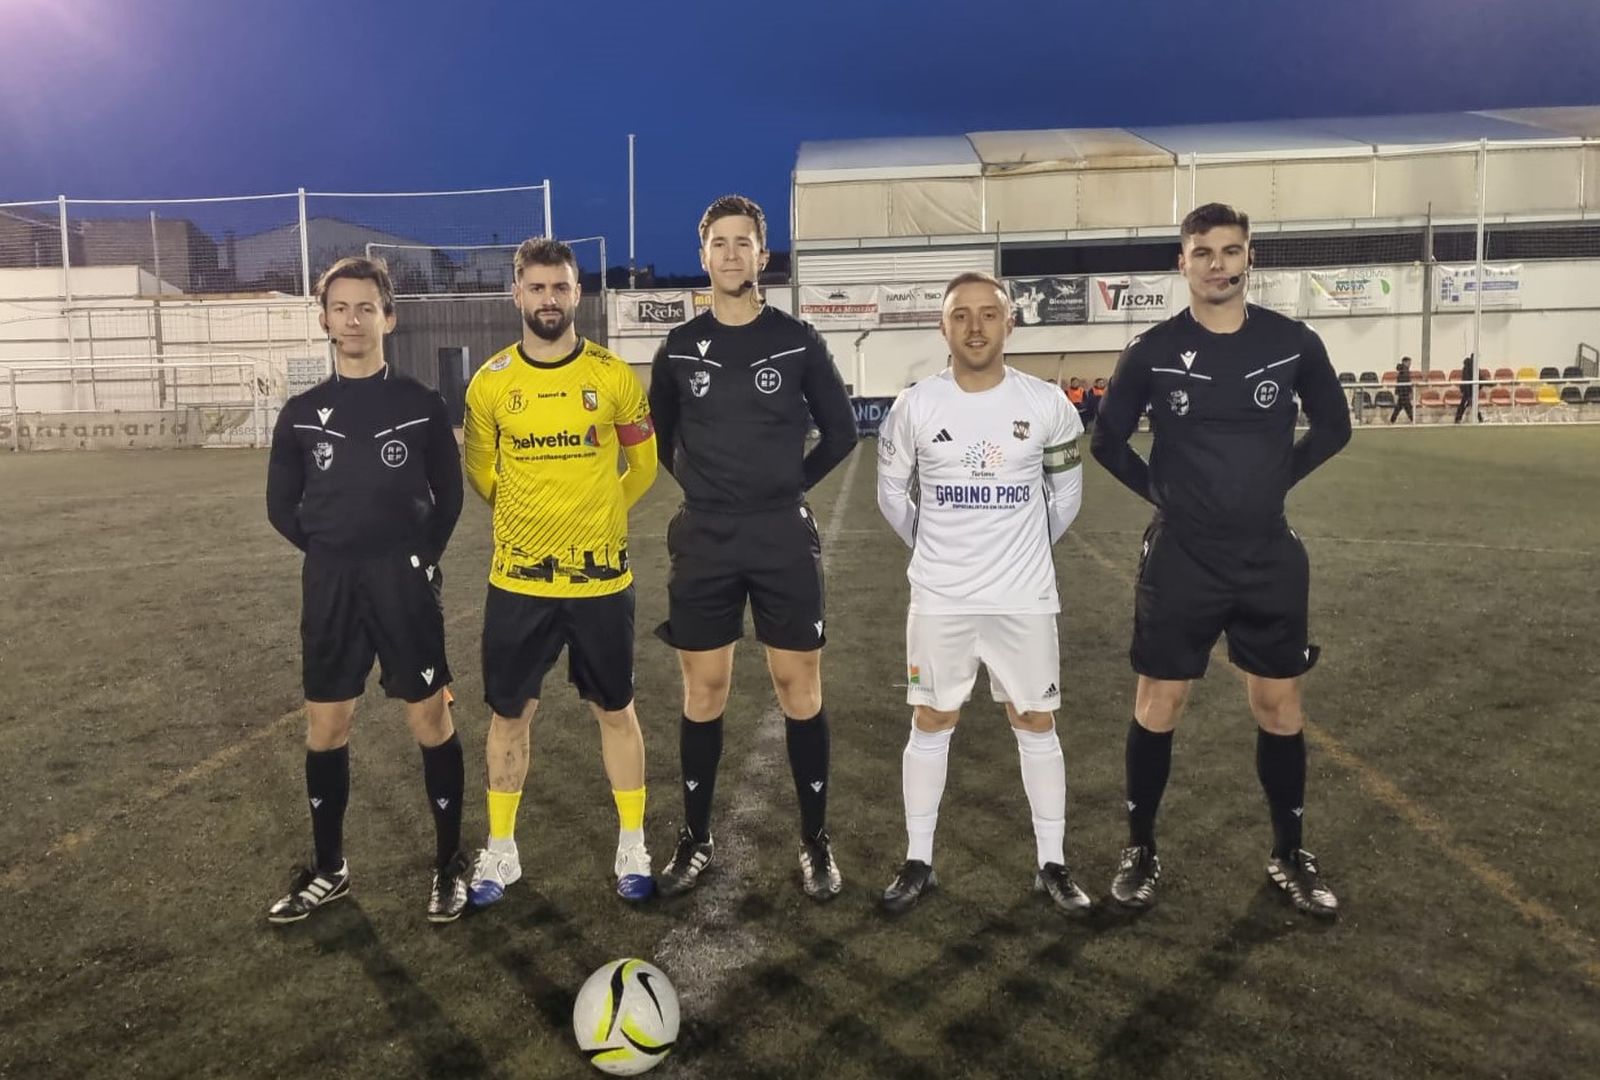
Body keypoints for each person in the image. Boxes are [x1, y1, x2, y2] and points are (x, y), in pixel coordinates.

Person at [1091, 202, 1351, 919]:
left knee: (1279, 704)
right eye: (1202, 252)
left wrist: (1278, 481)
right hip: (1182, 556)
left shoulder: (1292, 342)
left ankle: (1289, 852)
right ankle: (1140, 849)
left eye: (1229, 251)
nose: (1217, 265)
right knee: (1159, 703)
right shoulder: (1150, 350)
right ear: (1183, 263)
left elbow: (1335, 426)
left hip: (1267, 554)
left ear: (1249, 258)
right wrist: (1163, 493)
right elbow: (1107, 442)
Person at [648, 194, 859, 902]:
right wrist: (706, 492)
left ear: (762, 256)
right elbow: (663, 434)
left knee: (800, 690)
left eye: (745, 243)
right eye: (720, 243)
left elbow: (840, 434)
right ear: (703, 255)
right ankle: (696, 837)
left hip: (779, 537)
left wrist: (784, 490)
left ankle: (815, 841)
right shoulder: (678, 348)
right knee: (703, 691)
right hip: (706, 536)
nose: (732, 254)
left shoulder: (798, 340)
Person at [875, 272, 1090, 916]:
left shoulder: (1049, 403)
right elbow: (892, 497)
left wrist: (1017, 554)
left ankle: (1052, 863)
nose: (975, 326)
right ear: (942, 327)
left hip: (1023, 598)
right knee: (932, 718)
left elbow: (1067, 500)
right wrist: (939, 553)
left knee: (1034, 719)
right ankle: (918, 860)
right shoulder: (914, 406)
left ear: (1009, 323)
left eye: (988, 314)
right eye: (961, 315)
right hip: (940, 599)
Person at [264, 256, 468, 924]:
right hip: (331, 584)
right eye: (341, 307)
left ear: (389, 315)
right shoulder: (300, 414)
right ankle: (330, 869)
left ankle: (448, 867)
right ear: (324, 318)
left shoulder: (421, 404)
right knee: (327, 724)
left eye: (366, 307)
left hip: (403, 581)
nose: (353, 319)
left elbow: (449, 496)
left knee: (429, 716)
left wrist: (418, 559)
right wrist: (331, 554)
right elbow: (281, 508)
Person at [461, 238, 660, 906]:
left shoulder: (614, 377)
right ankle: (502, 852)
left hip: (601, 580)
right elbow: (483, 473)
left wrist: (600, 515)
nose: (549, 299)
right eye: (537, 287)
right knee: (509, 717)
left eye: (561, 287)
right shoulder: (490, 383)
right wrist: (528, 517)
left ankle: (632, 844)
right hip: (518, 583)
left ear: (579, 295)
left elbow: (644, 467)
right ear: (517, 294)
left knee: (617, 710)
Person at [1455, 354, 1484, 424]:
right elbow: (1466, 380)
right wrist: (1468, 394)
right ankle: (1458, 418)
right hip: (1468, 389)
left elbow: (1481, 378)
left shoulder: (1475, 368)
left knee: (1472, 404)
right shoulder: (1468, 368)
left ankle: (1479, 418)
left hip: (1471, 389)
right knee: (1466, 403)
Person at [1388, 356, 1415, 424]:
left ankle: (1392, 421)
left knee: (1399, 407)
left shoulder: (1402, 370)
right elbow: (1406, 382)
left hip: (1401, 392)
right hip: (1404, 392)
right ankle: (1413, 421)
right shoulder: (1405, 371)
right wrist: (1410, 391)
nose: (1410, 364)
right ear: (1405, 362)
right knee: (1408, 408)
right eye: (1409, 362)